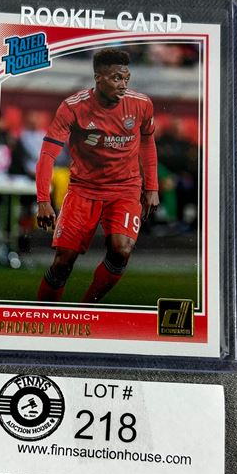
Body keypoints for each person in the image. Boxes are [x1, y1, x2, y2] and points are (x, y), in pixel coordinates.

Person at [35, 48, 159, 303]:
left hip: (125, 189)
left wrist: (152, 187)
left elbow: (147, 141)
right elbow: (47, 154)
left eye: (126, 78)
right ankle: (44, 316)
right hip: (83, 190)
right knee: (63, 262)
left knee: (122, 250)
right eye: (116, 78)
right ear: (98, 78)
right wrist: (43, 200)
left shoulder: (141, 104)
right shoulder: (72, 108)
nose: (123, 84)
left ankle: (86, 307)